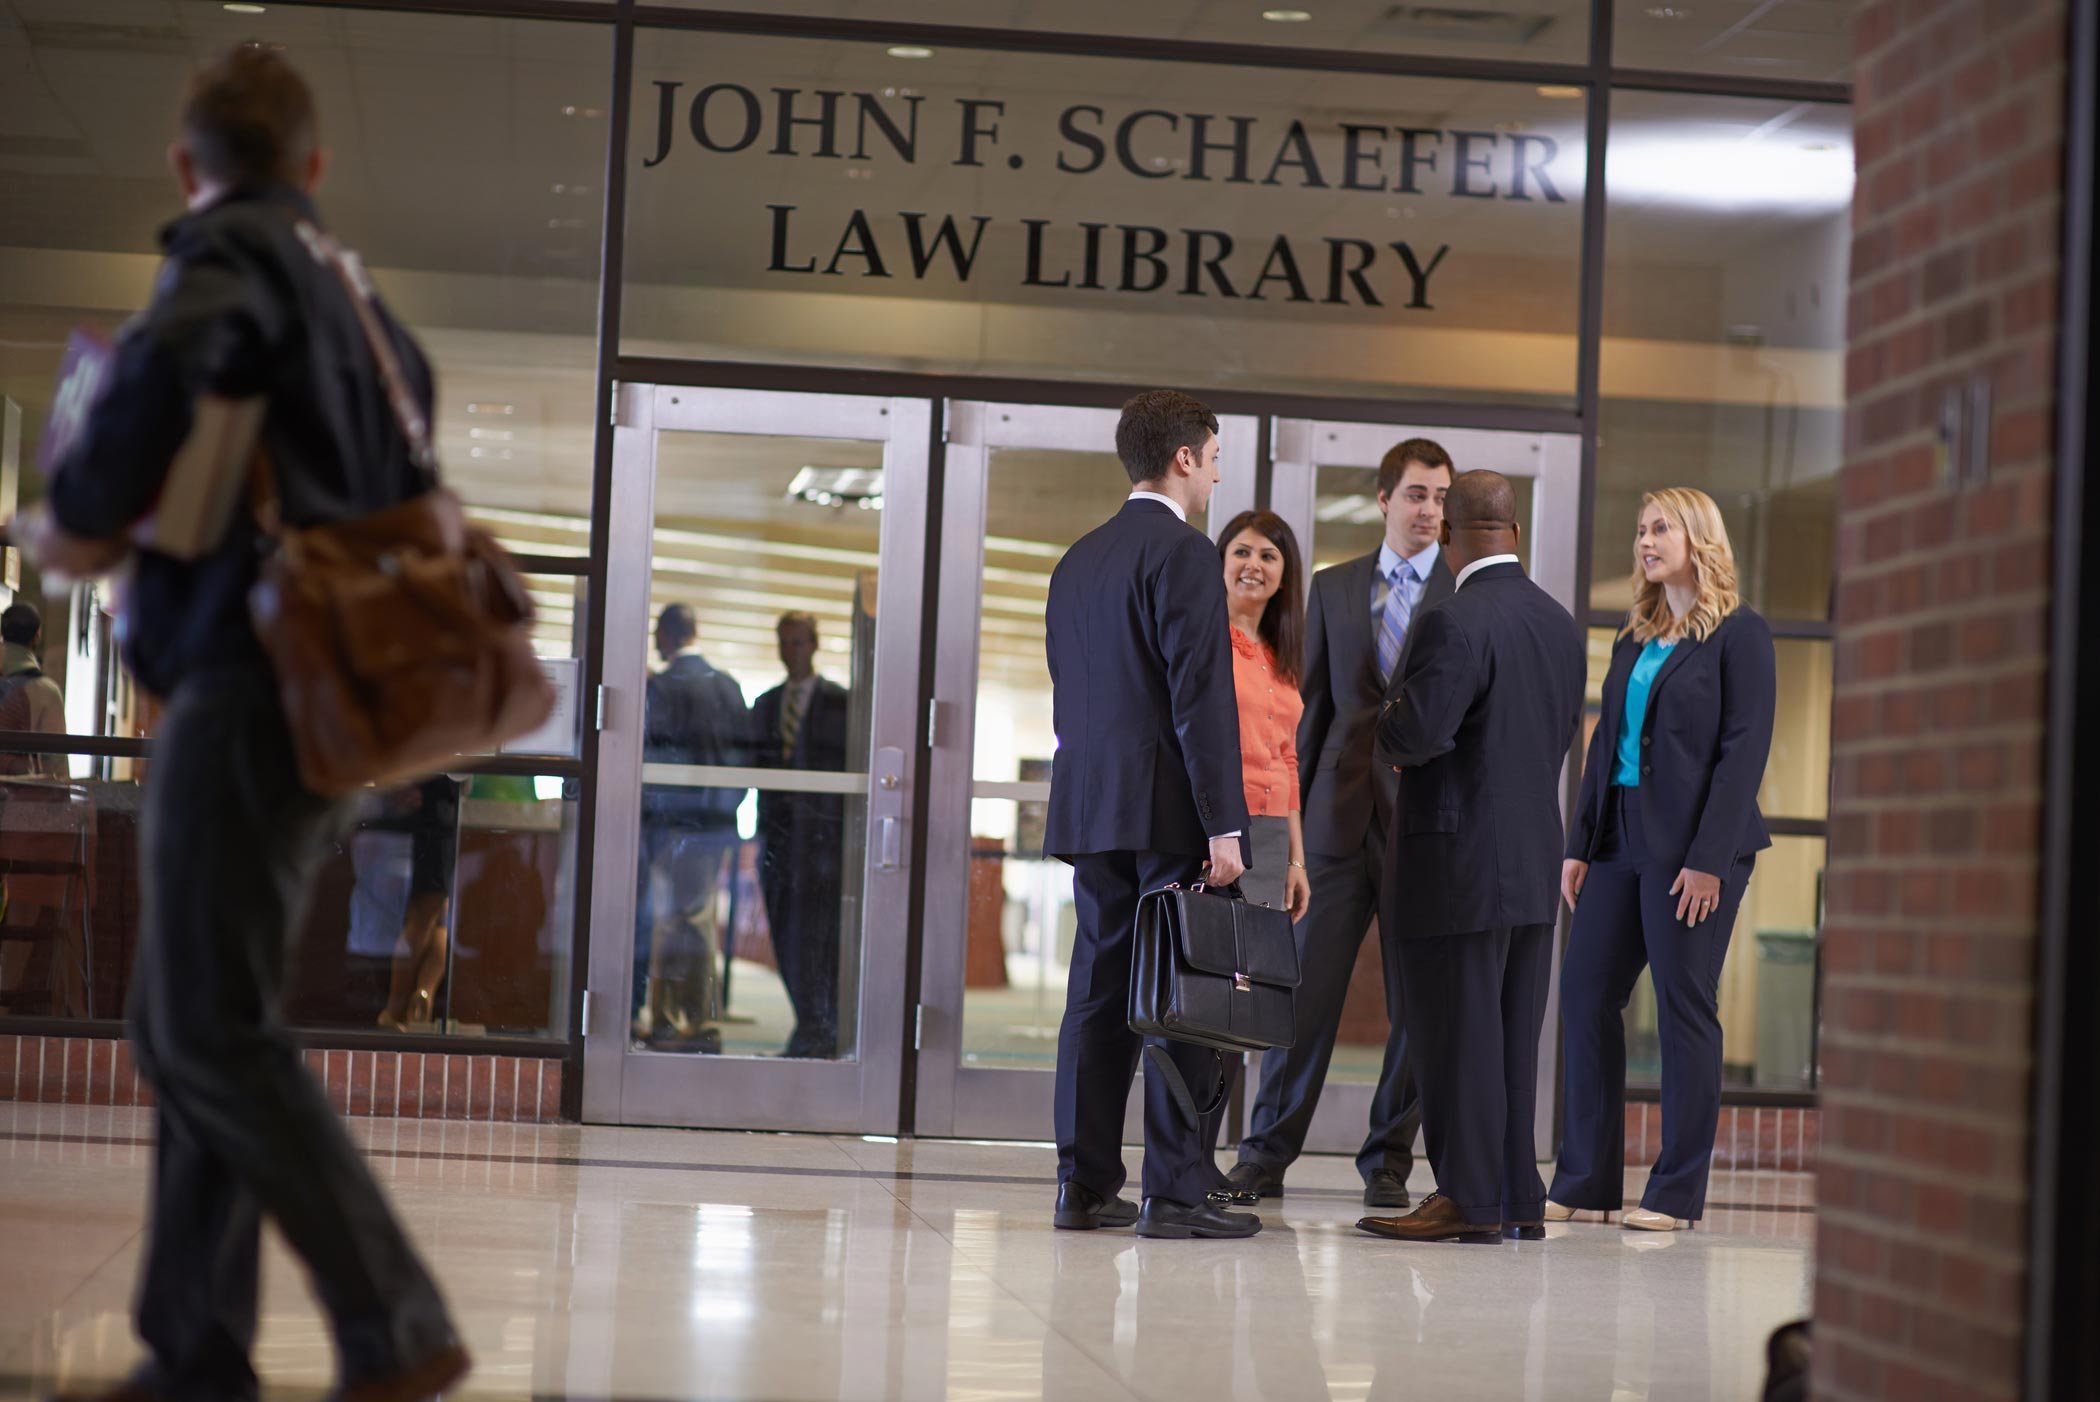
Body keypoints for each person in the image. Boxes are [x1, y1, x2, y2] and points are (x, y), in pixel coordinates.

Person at [13, 44, 468, 1401]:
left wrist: (84, 515)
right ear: (315, 165)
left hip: (243, 682)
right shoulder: (367, 308)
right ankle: (193, 1340)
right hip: (337, 697)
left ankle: (394, 1315)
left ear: (184, 165)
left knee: (205, 1028)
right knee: (191, 1015)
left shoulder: (227, 266)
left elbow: (154, 395)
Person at [1044, 388, 1256, 1240]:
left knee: (1096, 994)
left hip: (1093, 812)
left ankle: (1083, 1184)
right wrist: (1223, 825)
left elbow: (1080, 693)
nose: (1214, 472)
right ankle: (1175, 1191)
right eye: (1211, 456)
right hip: (1168, 813)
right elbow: (1198, 700)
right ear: (1182, 458)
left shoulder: (1078, 560)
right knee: (1180, 998)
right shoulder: (1183, 553)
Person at [1356, 469, 1584, 1244]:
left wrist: (1386, 718)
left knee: (1455, 1039)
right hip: (1530, 864)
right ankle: (1515, 1195)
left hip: (1453, 865)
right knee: (1512, 1041)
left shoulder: (1453, 619)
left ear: (1448, 534)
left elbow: (1415, 734)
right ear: (1513, 533)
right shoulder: (1560, 624)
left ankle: (1465, 1196)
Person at [1227, 439, 1452, 1209]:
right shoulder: (1331, 588)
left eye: (1442, 497)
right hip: (1331, 823)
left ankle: (1388, 1157)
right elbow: (1305, 716)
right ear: (1385, 499)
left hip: (1423, 830)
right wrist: (1291, 833)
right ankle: (1262, 1154)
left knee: (1417, 1003)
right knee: (1300, 994)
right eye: (1418, 494)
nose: (1431, 510)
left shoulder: (1462, 594)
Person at [1546, 488, 1775, 1231]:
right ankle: (1584, 1180)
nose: (1645, 541)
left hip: (1695, 851)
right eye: (1640, 529)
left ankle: (1675, 1194)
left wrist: (1709, 859)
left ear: (1698, 537)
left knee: (1684, 1006)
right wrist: (1580, 844)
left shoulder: (1740, 635)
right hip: (1618, 837)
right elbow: (1604, 743)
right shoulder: (1634, 634)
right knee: (1585, 993)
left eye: (1660, 528)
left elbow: (1744, 753)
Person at [1199, 509, 1309, 1203]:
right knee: (1201, 1005)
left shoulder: (1279, 655)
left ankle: (1200, 1162)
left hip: (1270, 841)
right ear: (1221, 562)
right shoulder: (1206, 642)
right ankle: (1184, 1158)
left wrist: (1297, 859)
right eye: (1242, 551)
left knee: (1241, 1014)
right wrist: (1218, 834)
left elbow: (1288, 762)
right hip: (1216, 832)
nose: (1254, 566)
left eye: (1269, 556)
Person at [633, 603, 750, 1051]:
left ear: (665, 635)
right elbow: (745, 759)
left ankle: (691, 1022)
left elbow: (656, 758)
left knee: (672, 919)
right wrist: (725, 810)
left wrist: (655, 817)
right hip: (717, 824)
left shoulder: (662, 687)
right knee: (695, 917)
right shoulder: (728, 687)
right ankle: (679, 1019)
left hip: (673, 825)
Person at [751, 610, 851, 1059]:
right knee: (784, 933)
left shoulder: (841, 703)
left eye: (798, 642)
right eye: (784, 642)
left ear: (814, 645)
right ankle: (809, 1022)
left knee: (818, 935)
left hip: (823, 845)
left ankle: (819, 1027)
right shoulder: (767, 704)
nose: (791, 651)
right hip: (776, 841)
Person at [371, 775, 461, 1032]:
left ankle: (421, 996)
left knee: (435, 916)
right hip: (434, 820)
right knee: (425, 916)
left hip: (438, 816)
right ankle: (397, 1007)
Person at [0, 603, 69, 778]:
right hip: (19, 797)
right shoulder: (47, 692)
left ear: (2, 634)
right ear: (36, 636)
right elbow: (55, 760)